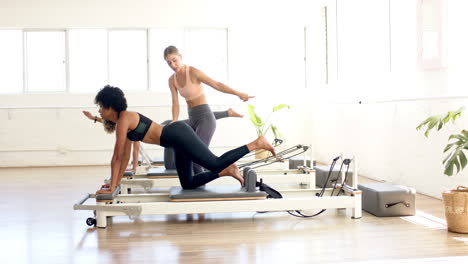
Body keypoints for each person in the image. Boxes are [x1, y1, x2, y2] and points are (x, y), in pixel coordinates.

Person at [94, 85, 276, 195]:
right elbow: (124, 157)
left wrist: (112, 186)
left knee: (214, 162)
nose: (99, 111)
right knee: (187, 183)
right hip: (175, 141)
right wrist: (114, 183)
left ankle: (256, 143)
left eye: (101, 107)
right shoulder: (123, 122)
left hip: (177, 133)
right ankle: (227, 171)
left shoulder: (124, 119)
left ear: (110, 106)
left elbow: (116, 156)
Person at [164, 46, 252, 174]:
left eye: (175, 60)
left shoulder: (193, 72)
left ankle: (205, 186)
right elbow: (175, 102)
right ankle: (202, 183)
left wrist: (238, 93)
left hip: (205, 118)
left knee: (197, 158)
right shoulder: (172, 80)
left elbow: (216, 84)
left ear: (180, 57)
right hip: (192, 118)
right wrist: (175, 120)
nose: (172, 64)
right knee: (191, 156)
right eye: (169, 62)